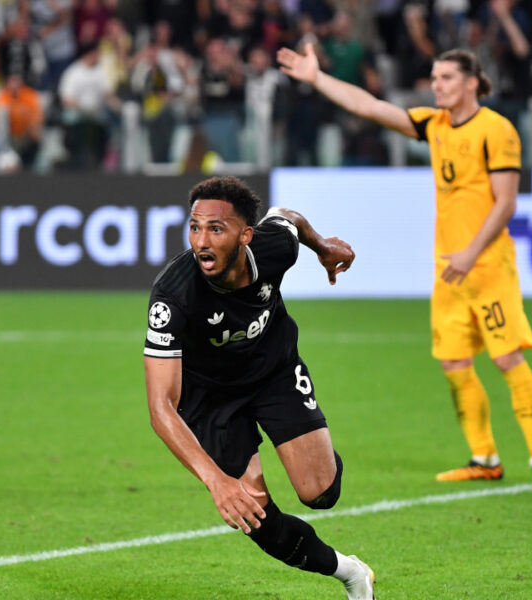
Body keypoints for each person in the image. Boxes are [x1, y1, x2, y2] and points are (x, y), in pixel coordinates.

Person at [277, 44, 532, 484]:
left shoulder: (496, 129)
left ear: (471, 82)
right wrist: (317, 78)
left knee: (507, 358)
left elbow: (505, 203)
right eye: (434, 77)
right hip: (449, 269)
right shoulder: (435, 124)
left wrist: (471, 253)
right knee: (454, 364)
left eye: (446, 77)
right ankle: (485, 459)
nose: (436, 84)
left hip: (487, 267)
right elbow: (369, 106)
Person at [142, 176, 374, 600]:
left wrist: (322, 247)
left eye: (216, 228)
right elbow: (161, 407)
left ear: (245, 235)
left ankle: (305, 440)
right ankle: (350, 573)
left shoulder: (273, 248)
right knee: (251, 511)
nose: (201, 241)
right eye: (195, 227)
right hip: (211, 399)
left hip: (274, 372)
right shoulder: (173, 295)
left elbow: (288, 217)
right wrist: (216, 481)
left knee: (320, 492)